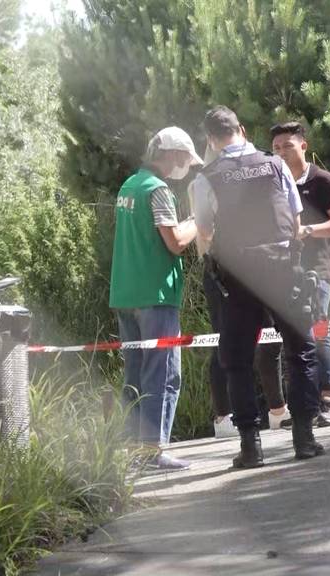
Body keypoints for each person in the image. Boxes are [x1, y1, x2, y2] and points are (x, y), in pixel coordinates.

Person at [191, 106, 323, 467]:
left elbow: (204, 231)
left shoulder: (206, 177)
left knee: (236, 360)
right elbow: (295, 220)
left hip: (239, 275)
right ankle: (304, 439)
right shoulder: (276, 164)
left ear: (211, 141)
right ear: (242, 130)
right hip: (283, 267)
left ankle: (251, 448)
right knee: (301, 350)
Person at [110, 126, 202, 470]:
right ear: (173, 156)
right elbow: (175, 241)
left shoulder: (129, 185)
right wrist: (197, 220)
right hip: (155, 294)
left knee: (135, 374)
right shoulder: (157, 189)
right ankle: (154, 450)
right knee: (163, 374)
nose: (186, 167)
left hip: (125, 294)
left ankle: (135, 451)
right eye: (185, 160)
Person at [191, 147, 290, 439]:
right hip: (224, 271)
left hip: (260, 264)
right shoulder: (204, 180)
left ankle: (277, 412)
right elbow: (204, 231)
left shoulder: (259, 169)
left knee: (271, 341)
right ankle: (225, 418)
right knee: (229, 346)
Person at [270, 122, 330, 427]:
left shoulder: (323, 181)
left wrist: (308, 231)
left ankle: (328, 400)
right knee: (292, 336)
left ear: (303, 145)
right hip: (285, 270)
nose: (281, 152)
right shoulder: (275, 183)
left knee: (318, 332)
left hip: (318, 270)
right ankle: (304, 407)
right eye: (276, 148)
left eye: (287, 146)